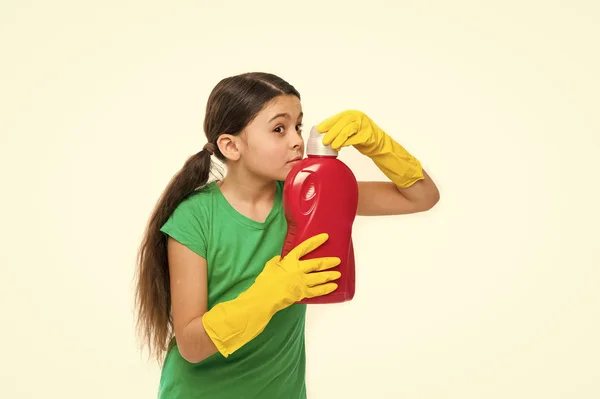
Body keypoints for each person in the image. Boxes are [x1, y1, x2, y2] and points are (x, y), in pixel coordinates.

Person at [134, 72, 440, 398]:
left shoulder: (312, 196)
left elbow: (421, 196)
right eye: (279, 129)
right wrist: (269, 294)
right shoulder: (194, 219)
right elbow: (192, 345)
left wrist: (377, 144)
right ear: (231, 145)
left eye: (298, 125)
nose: (296, 140)